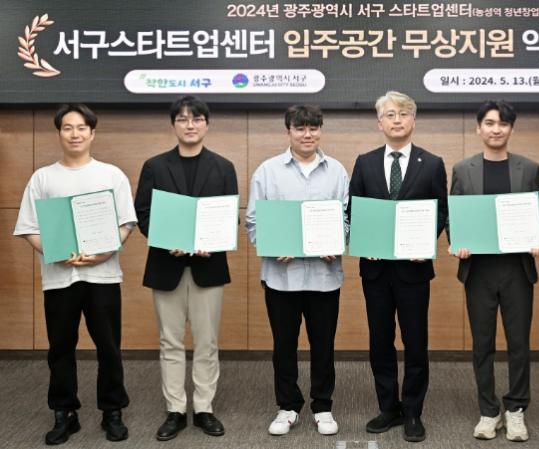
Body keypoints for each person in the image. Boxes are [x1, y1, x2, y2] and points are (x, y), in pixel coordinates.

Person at [14, 104, 135, 445]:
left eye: (81, 127)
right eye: (67, 127)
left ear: (92, 133)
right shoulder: (43, 178)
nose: (75, 133)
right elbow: (28, 227)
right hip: (59, 278)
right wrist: (55, 251)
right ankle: (64, 412)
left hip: (103, 276)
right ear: (59, 133)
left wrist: (104, 252)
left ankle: (112, 411)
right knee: (60, 347)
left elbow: (126, 223)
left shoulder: (111, 175)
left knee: (108, 346)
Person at [134, 96, 238, 441]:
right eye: (182, 119)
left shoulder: (223, 167)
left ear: (206, 124)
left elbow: (230, 216)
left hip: (209, 267)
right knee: (170, 341)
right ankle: (176, 409)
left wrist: (214, 240)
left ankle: (204, 408)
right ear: (173, 125)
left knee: (207, 342)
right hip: (167, 265)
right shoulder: (154, 166)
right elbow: (143, 213)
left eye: (196, 119)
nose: (189, 125)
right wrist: (167, 240)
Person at [349, 91, 448, 442]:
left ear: (413, 121)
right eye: (390, 114)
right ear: (380, 123)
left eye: (403, 114)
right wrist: (365, 241)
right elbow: (354, 210)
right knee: (380, 341)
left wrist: (426, 243)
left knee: (415, 342)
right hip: (375, 270)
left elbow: (441, 211)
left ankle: (413, 411)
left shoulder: (432, 163)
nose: (396, 120)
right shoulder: (364, 162)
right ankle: (388, 407)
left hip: (413, 269)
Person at [245, 104, 349, 436]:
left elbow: (347, 218)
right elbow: (253, 221)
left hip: (324, 277)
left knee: (324, 345)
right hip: (281, 278)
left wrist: (338, 242)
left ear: (320, 130)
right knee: (284, 345)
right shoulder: (267, 171)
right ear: (288, 131)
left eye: (313, 128)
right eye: (300, 128)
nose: (307, 134)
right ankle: (287, 406)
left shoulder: (337, 171)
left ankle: (323, 406)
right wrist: (273, 245)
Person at [449, 101, 539, 442]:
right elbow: (455, 216)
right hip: (479, 270)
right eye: (489, 123)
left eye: (503, 123)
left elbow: (538, 213)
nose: (496, 129)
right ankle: (488, 411)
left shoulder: (528, 168)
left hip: (518, 268)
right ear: (478, 128)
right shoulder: (463, 169)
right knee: (482, 344)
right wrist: (458, 242)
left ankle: (516, 410)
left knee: (519, 343)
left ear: (511, 129)